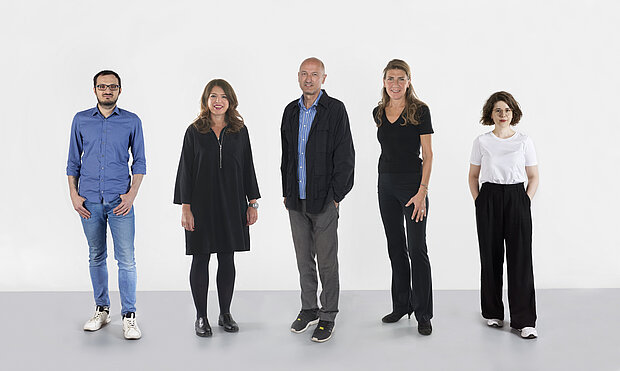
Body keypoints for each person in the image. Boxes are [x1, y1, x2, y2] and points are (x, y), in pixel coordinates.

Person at [174, 79, 260, 337]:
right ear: (206, 100)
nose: (218, 101)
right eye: (213, 96)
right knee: (200, 258)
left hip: (232, 203)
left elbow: (248, 168)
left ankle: (225, 313)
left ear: (230, 101)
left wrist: (252, 203)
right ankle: (201, 316)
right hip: (200, 205)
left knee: (227, 257)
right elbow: (185, 172)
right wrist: (185, 208)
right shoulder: (194, 131)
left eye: (223, 96)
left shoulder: (239, 131)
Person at [66, 70, 146, 340]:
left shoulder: (132, 122)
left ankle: (129, 316)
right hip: (89, 202)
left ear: (120, 90)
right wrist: (74, 196)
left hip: (120, 202)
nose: (107, 90)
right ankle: (102, 309)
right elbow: (72, 162)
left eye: (112, 86)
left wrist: (132, 195)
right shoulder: (80, 120)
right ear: (95, 90)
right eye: (102, 86)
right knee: (96, 256)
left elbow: (140, 163)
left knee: (126, 260)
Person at [281, 57, 355, 343]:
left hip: (324, 200)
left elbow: (346, 156)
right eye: (304, 74)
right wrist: (286, 191)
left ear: (324, 78)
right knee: (303, 259)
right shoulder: (290, 111)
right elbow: (287, 155)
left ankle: (328, 314)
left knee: (326, 261)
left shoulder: (335, 110)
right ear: (298, 77)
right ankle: (309, 308)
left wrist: (337, 196)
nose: (308, 79)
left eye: (314, 74)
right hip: (296, 200)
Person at [468, 91, 539, 339]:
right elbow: (473, 176)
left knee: (520, 259)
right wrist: (480, 202)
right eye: (498, 110)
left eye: (507, 110)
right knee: (491, 257)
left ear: (513, 113)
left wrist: (524, 201)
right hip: (489, 198)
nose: (503, 114)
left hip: (517, 198)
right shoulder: (482, 141)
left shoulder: (524, 141)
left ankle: (524, 320)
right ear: (491, 113)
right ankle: (493, 313)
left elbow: (533, 177)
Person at [372, 59, 434, 335]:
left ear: (409, 81)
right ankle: (401, 306)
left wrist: (422, 191)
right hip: (385, 185)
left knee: (417, 249)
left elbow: (429, 155)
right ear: (384, 81)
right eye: (390, 79)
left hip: (412, 186)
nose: (395, 84)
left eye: (400, 79)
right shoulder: (379, 112)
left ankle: (423, 313)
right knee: (395, 246)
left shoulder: (420, 111)